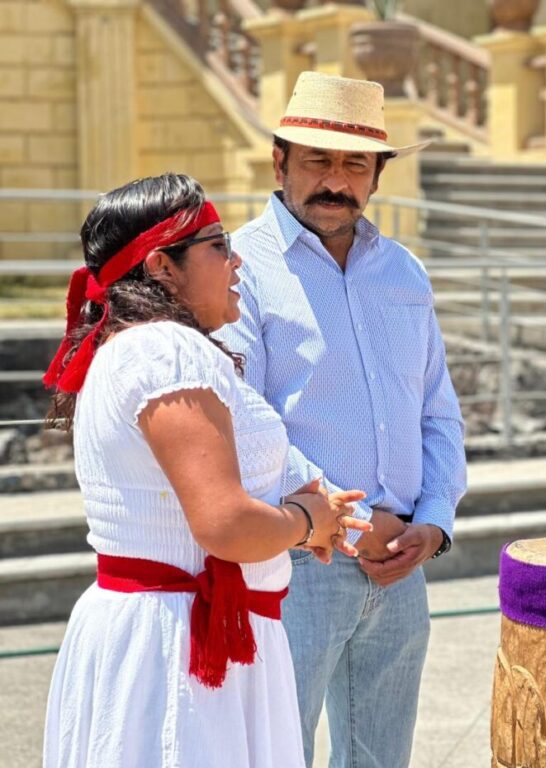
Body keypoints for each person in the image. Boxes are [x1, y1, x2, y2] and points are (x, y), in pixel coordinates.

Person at [41, 173, 371, 768]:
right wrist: (306, 521)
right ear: (163, 267)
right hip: (178, 650)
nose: (236, 260)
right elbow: (223, 523)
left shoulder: (135, 347)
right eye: (217, 246)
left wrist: (293, 506)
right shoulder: (167, 350)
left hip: (173, 636)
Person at [215, 72, 467, 767]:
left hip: (402, 564)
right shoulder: (238, 269)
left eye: (355, 163)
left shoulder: (405, 272)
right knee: (274, 753)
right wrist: (356, 525)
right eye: (318, 160)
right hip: (296, 561)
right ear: (279, 162)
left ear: (377, 175)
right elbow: (246, 422)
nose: (337, 180)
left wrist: (435, 522)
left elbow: (437, 412)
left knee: (383, 759)